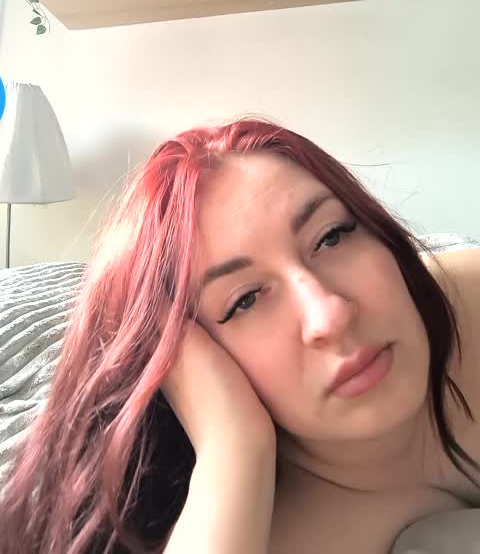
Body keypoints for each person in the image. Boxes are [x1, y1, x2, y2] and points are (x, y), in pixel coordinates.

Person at [0, 116, 479, 554]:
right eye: (245, 300)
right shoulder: (273, 532)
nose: (329, 316)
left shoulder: (469, 291)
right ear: (193, 355)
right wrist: (232, 444)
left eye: (331, 236)